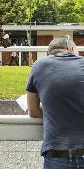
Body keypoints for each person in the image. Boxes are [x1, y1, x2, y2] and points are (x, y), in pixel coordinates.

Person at [26, 36, 84, 169]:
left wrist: (55, 111)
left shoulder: (39, 65)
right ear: (70, 49)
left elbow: (33, 111)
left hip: (57, 153)